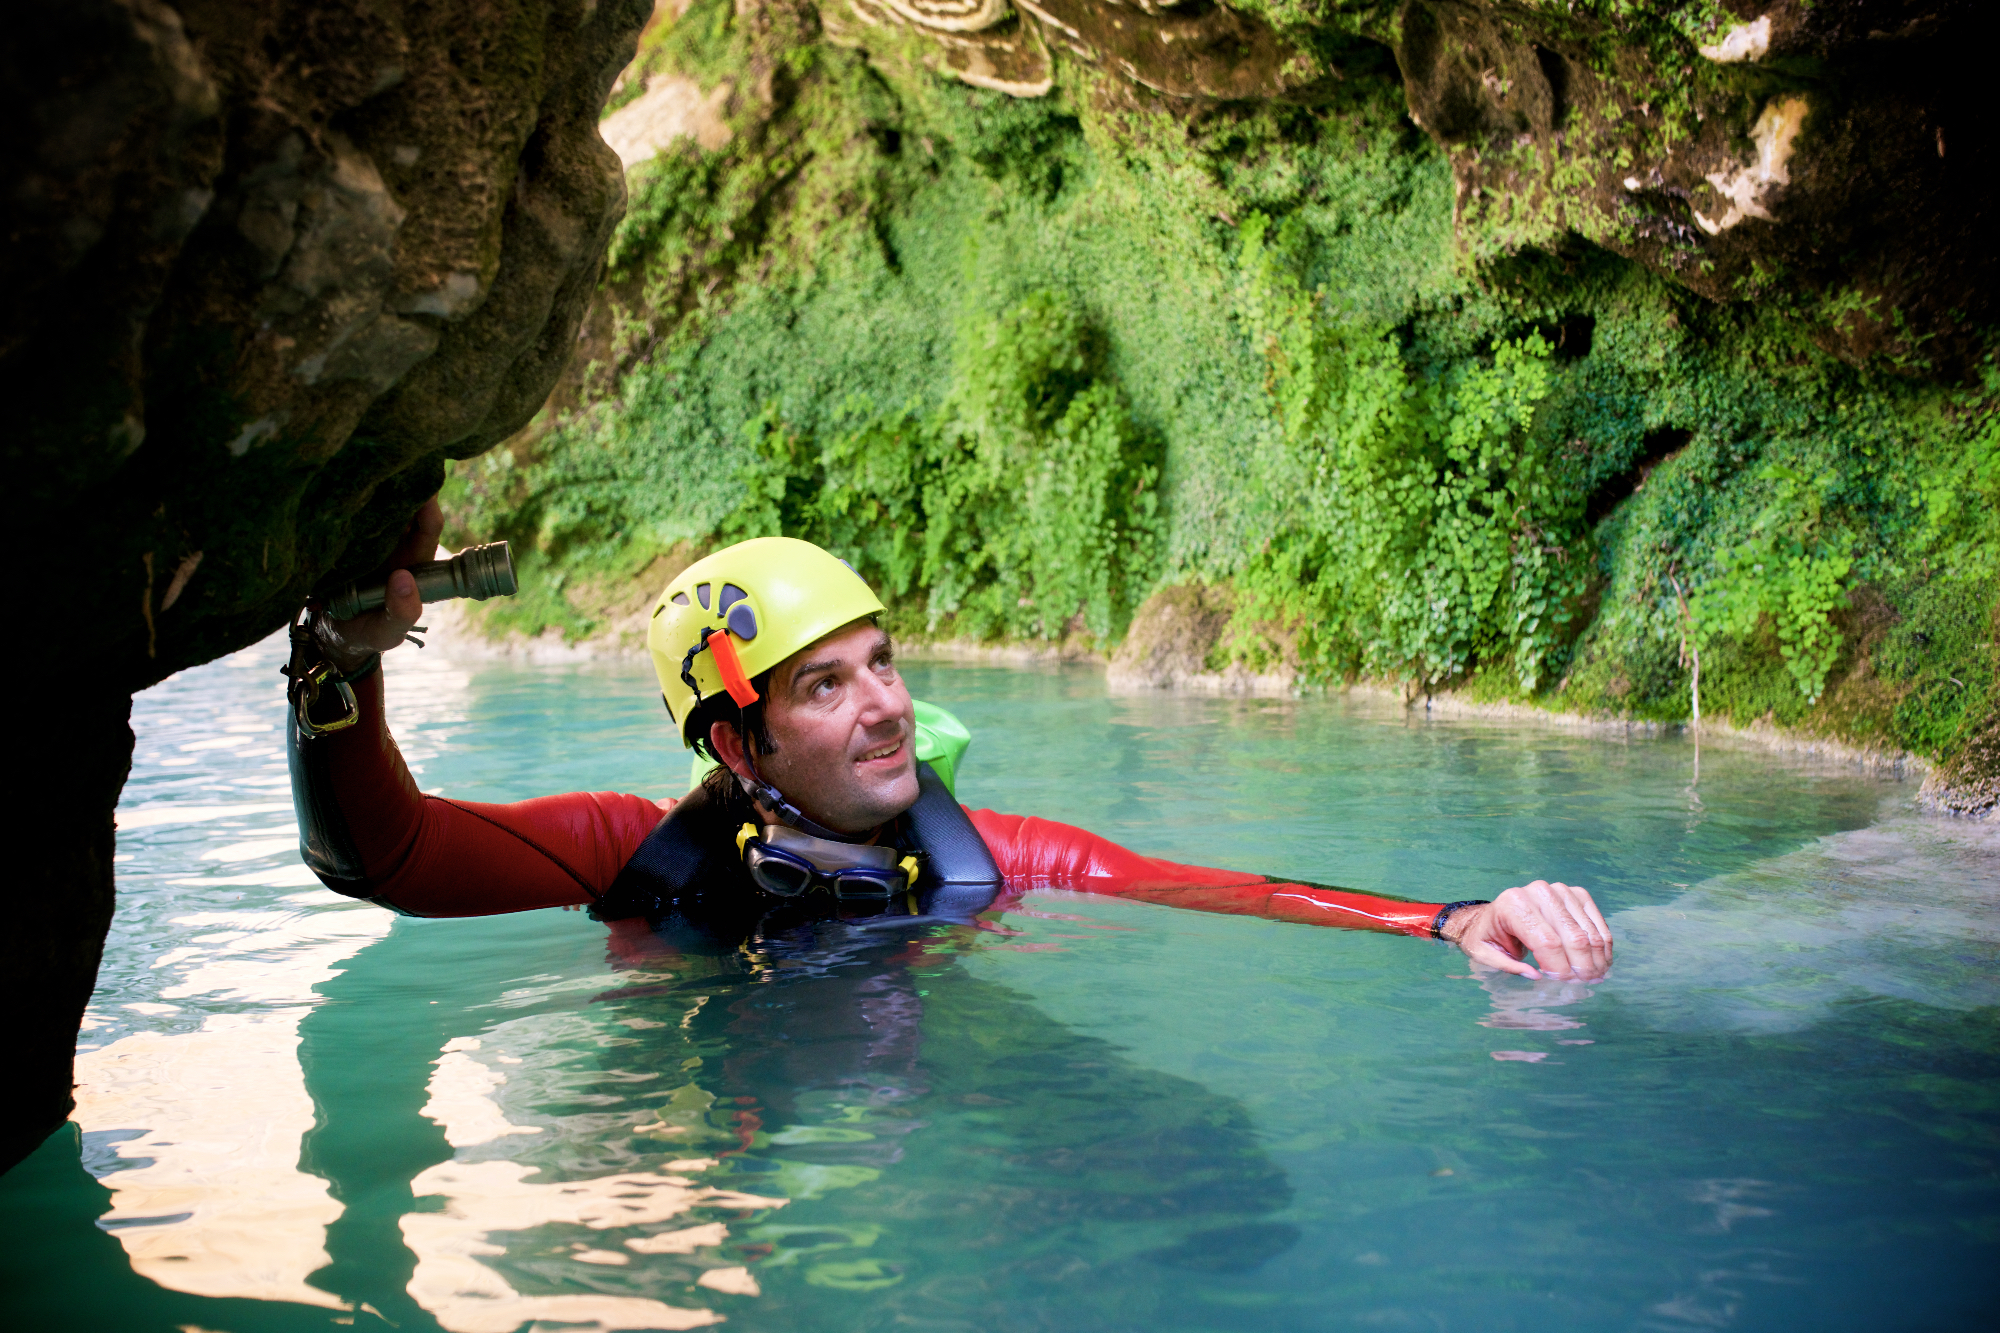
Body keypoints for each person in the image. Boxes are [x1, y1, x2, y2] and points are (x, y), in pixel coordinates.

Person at [290, 500, 1614, 981]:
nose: (885, 705)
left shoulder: (988, 856)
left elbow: (1224, 889)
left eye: (883, 662)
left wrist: (1446, 920)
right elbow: (386, 857)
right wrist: (335, 672)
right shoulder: (632, 847)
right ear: (738, 746)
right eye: (824, 685)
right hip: (706, 1147)